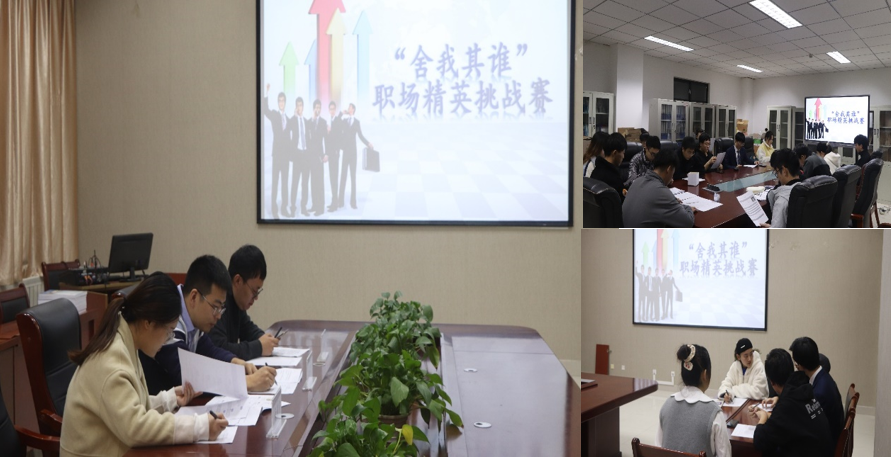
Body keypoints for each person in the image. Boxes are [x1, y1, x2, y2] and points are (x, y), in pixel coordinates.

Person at [61, 273, 229, 456]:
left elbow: (131, 408)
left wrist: (169, 400)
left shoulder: (127, 341)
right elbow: (136, 428)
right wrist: (199, 427)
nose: (168, 339)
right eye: (169, 331)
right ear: (148, 322)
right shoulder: (112, 362)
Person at [139, 255, 276, 395]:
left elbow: (209, 351)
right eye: (215, 307)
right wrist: (246, 383)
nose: (219, 315)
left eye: (221, 308)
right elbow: (187, 377)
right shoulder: (170, 315)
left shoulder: (193, 316)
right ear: (194, 297)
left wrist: (236, 362)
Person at [749, 348, 833, 457]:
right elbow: (791, 419)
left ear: (771, 382)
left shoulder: (787, 404)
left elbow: (759, 441)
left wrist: (763, 417)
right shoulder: (804, 387)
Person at [656, 344, 731, 457]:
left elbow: (658, 448)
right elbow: (725, 454)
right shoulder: (714, 413)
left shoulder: (666, 405)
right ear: (705, 374)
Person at [208, 245, 278, 360]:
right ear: (238, 281)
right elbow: (220, 348)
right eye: (254, 291)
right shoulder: (218, 303)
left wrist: (266, 339)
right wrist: (259, 347)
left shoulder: (237, 303)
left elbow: (248, 329)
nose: (256, 298)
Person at [787, 337, 844, 444]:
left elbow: (807, 426)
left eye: (796, 363)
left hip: (826, 444)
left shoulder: (819, 393)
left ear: (800, 365)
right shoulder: (823, 376)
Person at [623, 148, 695, 228]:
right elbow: (688, 222)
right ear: (669, 169)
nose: (672, 177)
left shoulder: (638, 181)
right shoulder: (661, 192)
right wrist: (688, 208)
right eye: (673, 172)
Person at [263, 84, 292, 218]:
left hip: (285, 157)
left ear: (285, 102)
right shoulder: (274, 115)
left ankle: (284, 208)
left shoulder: (289, 119)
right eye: (279, 100)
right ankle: (274, 210)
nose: (281, 103)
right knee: (275, 183)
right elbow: (265, 110)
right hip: (277, 156)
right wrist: (266, 93)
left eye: (283, 100)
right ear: (278, 102)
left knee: (285, 183)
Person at [339, 103, 373, 209]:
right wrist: (341, 114)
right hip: (345, 152)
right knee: (343, 177)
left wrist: (368, 143)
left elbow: (360, 135)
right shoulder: (344, 121)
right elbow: (337, 124)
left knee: (353, 178)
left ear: (353, 109)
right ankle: (340, 201)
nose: (348, 108)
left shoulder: (357, 122)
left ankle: (353, 202)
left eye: (349, 107)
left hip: (353, 153)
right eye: (348, 107)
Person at [718, 338, 768, 403]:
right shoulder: (735, 366)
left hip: (756, 405)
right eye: (746, 356)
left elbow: (758, 392)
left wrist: (733, 390)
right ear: (738, 357)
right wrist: (726, 394)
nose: (749, 359)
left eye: (751, 354)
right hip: (738, 405)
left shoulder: (758, 366)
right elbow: (726, 384)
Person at [763, 148, 801, 228]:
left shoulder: (782, 201)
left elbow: (776, 233)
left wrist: (769, 228)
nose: (777, 177)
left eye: (776, 172)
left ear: (784, 171)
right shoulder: (807, 188)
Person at [306, 99, 328, 216]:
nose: (318, 109)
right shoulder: (310, 122)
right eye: (316, 107)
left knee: (320, 183)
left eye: (319, 107)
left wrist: (326, 154)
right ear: (313, 109)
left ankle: (321, 208)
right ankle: (314, 205)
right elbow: (308, 136)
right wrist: (313, 118)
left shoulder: (323, 122)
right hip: (311, 157)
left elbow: (326, 140)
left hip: (319, 156)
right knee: (313, 182)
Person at [590, 132, 626, 201]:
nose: (623, 157)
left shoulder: (596, 170)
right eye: (623, 153)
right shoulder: (613, 178)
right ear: (615, 153)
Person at [289, 97, 309, 217]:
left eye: (301, 105)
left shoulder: (306, 121)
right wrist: (294, 116)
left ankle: (303, 207)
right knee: (295, 183)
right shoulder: (293, 121)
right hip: (297, 156)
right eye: (297, 105)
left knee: (305, 183)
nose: (299, 107)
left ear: (303, 107)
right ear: (296, 107)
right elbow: (288, 127)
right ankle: (292, 208)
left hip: (305, 155)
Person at [326, 101, 344, 212]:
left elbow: (338, 131)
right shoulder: (328, 121)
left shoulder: (337, 121)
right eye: (331, 109)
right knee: (331, 178)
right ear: (329, 110)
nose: (332, 111)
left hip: (335, 154)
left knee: (335, 178)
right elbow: (327, 139)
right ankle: (334, 200)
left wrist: (341, 113)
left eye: (333, 109)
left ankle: (335, 203)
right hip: (330, 154)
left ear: (335, 110)